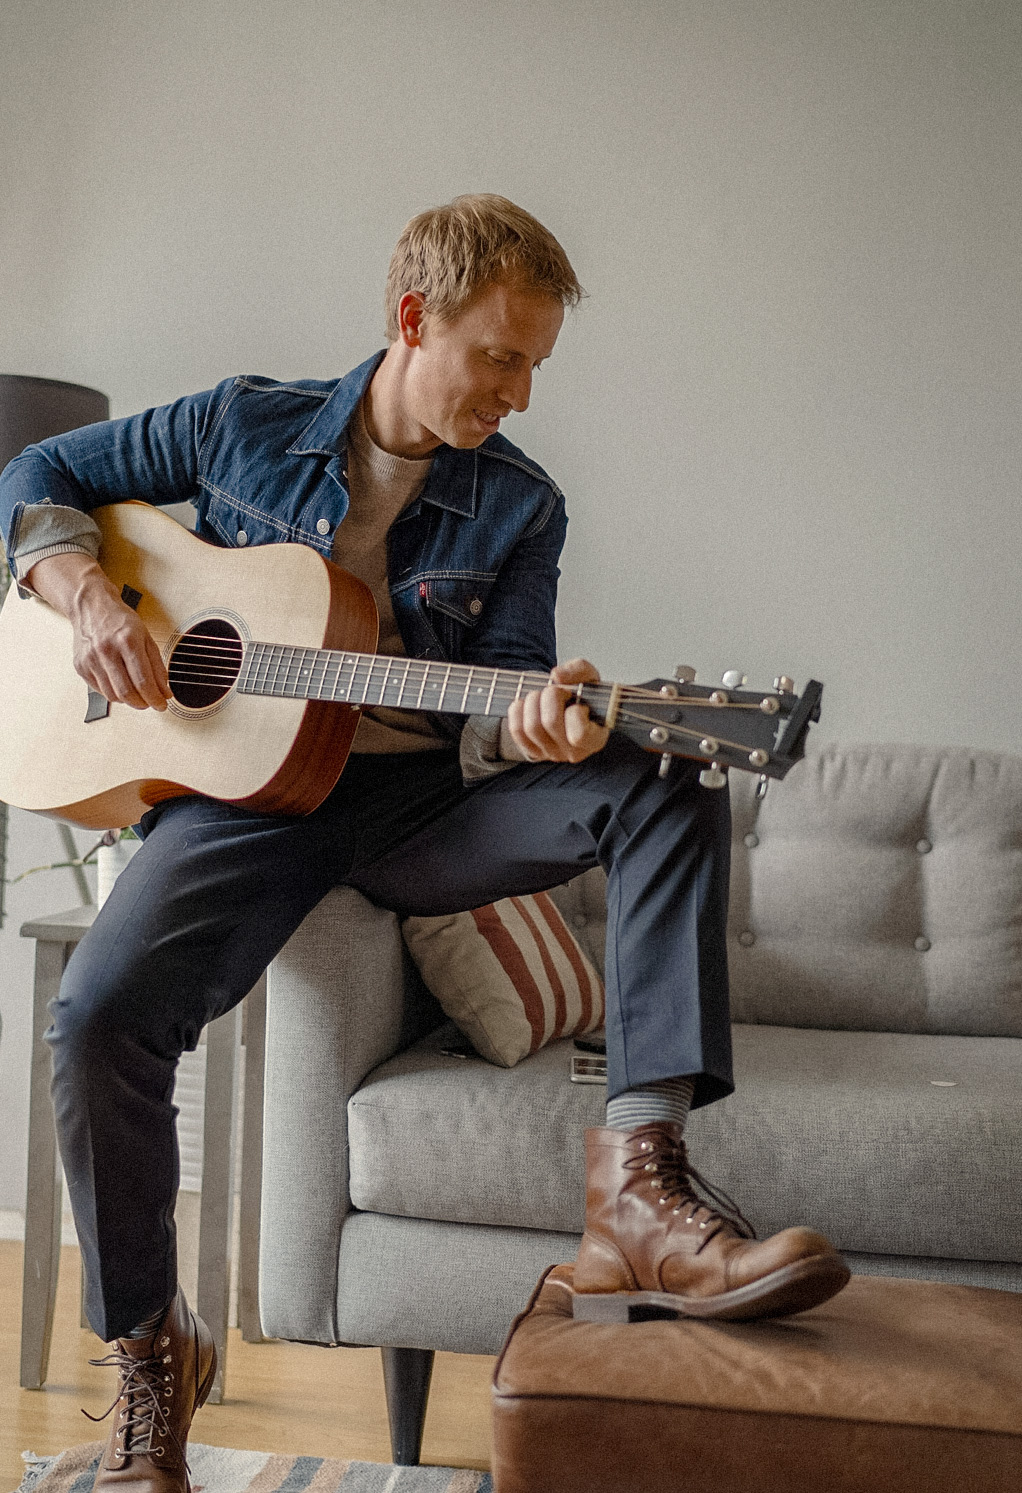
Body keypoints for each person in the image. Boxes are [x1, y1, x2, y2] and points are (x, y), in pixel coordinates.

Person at [0, 195, 848, 1493]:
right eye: (498, 356)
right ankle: (148, 1358)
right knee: (97, 1015)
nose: (514, 393)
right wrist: (82, 597)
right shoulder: (242, 420)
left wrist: (538, 724)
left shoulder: (519, 507)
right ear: (413, 320)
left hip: (419, 809)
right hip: (244, 805)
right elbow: (34, 477)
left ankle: (641, 1187)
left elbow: (504, 692)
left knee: (665, 774)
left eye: (534, 367)